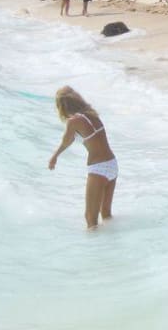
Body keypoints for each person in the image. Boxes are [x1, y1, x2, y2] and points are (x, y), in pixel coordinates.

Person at [49, 86, 118, 230]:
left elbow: (66, 141)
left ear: (62, 106)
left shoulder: (73, 121)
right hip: (112, 164)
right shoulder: (92, 114)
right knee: (106, 214)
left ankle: (97, 250)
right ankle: (113, 241)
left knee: (90, 219)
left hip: (99, 168)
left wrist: (54, 156)